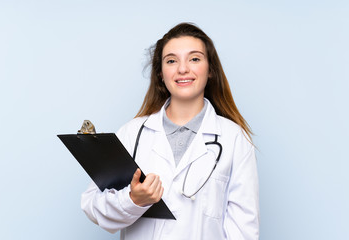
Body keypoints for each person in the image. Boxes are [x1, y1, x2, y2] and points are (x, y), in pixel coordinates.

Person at [81, 22, 259, 240]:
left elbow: (244, 230)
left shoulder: (234, 139)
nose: (182, 69)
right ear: (160, 73)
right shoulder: (132, 133)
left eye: (194, 59)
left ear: (210, 69)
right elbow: (92, 205)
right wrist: (133, 200)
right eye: (172, 61)